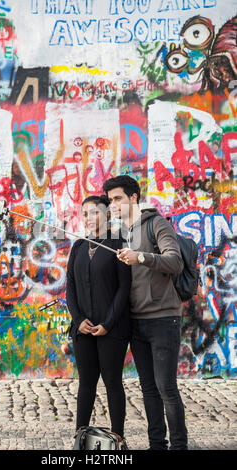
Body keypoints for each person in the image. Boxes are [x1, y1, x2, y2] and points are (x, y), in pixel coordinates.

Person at [103, 175, 188, 451]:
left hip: (163, 319)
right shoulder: (119, 234)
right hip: (136, 322)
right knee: (148, 388)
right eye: (110, 200)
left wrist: (140, 257)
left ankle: (179, 445)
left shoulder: (156, 224)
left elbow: (174, 261)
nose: (112, 204)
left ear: (133, 198)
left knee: (166, 388)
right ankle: (157, 445)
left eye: (117, 198)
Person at [66, 194, 131, 447]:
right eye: (84, 214)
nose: (89, 218)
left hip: (112, 329)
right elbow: (70, 287)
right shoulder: (79, 246)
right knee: (86, 383)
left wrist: (108, 323)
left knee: (113, 381)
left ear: (106, 214)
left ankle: (117, 438)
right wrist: (78, 319)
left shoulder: (118, 245)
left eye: (94, 212)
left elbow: (123, 289)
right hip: (82, 328)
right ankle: (80, 437)